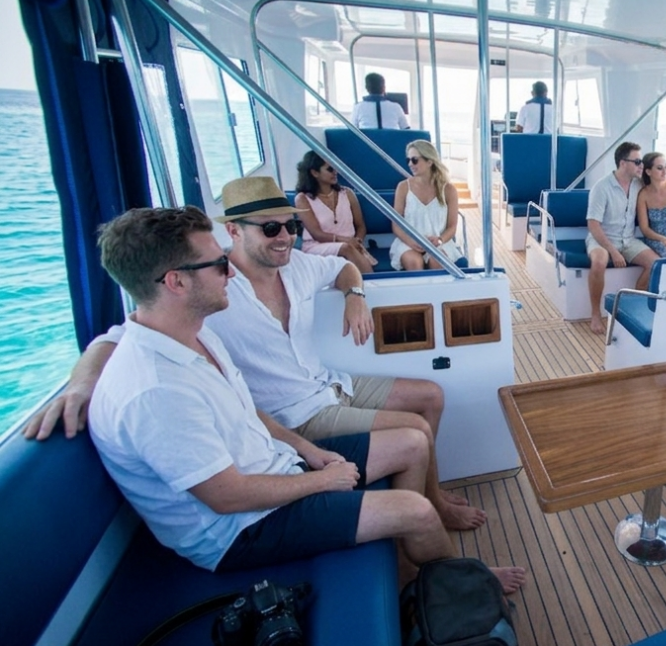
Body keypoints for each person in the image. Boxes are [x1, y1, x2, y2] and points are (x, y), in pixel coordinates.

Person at [85, 206, 524, 591]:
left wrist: (310, 453)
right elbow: (228, 498)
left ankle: (411, 570)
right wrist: (321, 480)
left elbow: (247, 409)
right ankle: (460, 585)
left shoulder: (194, 336)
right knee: (414, 511)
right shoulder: (155, 391)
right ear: (176, 282)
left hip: (276, 460)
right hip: (242, 528)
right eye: (218, 264)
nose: (230, 272)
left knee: (412, 440)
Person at [29, 176, 485, 532]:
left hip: (330, 384)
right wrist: (82, 383)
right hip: (296, 415)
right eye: (271, 228)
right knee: (416, 431)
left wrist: (355, 295)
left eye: (289, 225)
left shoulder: (300, 264)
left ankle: (434, 499)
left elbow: (345, 265)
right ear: (233, 231)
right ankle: (423, 519)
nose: (285, 235)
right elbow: (116, 338)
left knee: (429, 395)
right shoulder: (207, 291)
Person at [585, 142, 661, 335]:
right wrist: (612, 251)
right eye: (637, 162)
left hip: (628, 239)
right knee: (599, 262)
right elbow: (593, 224)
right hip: (601, 238)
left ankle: (635, 304)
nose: (641, 166)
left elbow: (663, 183)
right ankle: (595, 314)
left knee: (656, 264)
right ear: (622, 163)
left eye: (641, 162)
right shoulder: (601, 187)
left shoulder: (638, 184)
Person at [292, 151, 377, 274]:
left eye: (336, 167)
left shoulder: (348, 193)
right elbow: (316, 234)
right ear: (314, 173)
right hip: (318, 246)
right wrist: (347, 241)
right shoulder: (302, 199)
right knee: (346, 248)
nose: (335, 172)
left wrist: (357, 241)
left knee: (348, 250)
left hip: (351, 246)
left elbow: (360, 225)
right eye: (330, 169)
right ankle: (372, 282)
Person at [389, 140, 465, 271]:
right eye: (408, 160)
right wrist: (410, 241)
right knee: (414, 263)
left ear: (430, 162)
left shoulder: (448, 190)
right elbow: (396, 224)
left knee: (437, 261)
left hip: (439, 243)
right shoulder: (403, 187)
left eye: (414, 160)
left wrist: (440, 240)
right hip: (408, 242)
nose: (410, 164)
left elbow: (452, 226)